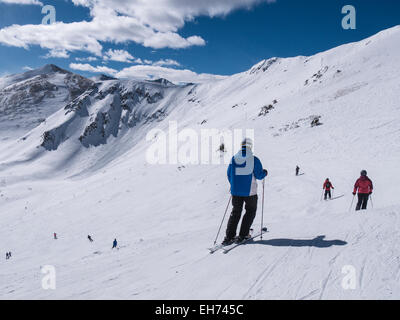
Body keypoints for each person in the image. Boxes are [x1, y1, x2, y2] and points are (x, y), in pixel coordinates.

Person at [222, 138, 268, 245]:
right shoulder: (254, 159)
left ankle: (229, 236)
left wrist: (234, 184)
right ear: (250, 146)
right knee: (250, 211)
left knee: (235, 212)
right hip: (250, 192)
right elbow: (259, 175)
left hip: (236, 191)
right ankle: (243, 235)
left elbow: (229, 174)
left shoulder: (233, 158)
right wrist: (265, 173)